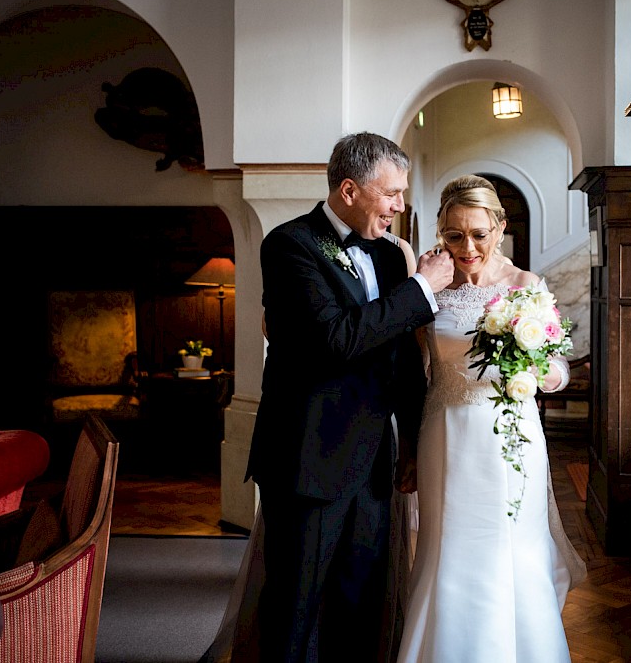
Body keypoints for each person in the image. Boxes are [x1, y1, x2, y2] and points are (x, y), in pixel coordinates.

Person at [246, 132, 454, 662]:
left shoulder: (388, 256)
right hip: (308, 462)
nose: (400, 206)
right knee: (295, 610)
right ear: (348, 190)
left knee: (359, 605)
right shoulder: (289, 246)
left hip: (372, 467)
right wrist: (421, 289)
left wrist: (409, 442)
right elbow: (334, 339)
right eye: (391, 195)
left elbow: (401, 358)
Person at [396, 175, 586, 663]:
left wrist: (546, 374)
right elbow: (414, 372)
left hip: (511, 437)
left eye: (479, 234)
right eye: (454, 235)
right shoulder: (428, 284)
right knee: (448, 546)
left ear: (499, 227)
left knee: (513, 544)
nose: (467, 247)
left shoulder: (527, 285)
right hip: (444, 434)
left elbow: (557, 363)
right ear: (441, 232)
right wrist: (409, 450)